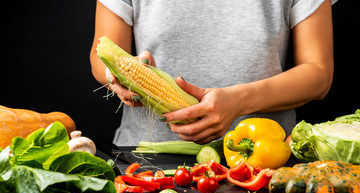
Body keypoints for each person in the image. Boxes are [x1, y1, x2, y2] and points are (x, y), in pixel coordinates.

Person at [90, 0, 337, 146]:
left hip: (264, 158)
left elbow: (319, 74)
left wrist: (239, 101)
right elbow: (101, 54)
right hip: (147, 160)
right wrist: (120, 77)